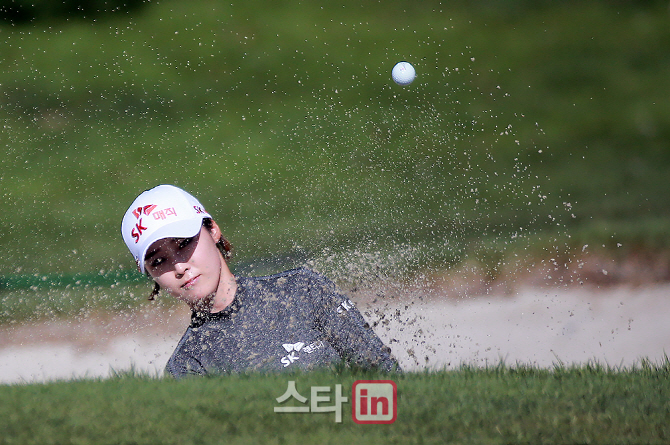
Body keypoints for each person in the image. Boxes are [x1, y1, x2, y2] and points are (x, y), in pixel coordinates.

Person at [121, 184, 400, 378]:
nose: (179, 266)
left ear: (213, 230)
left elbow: (387, 383)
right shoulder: (188, 367)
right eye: (158, 261)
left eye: (183, 243)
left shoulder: (303, 290)